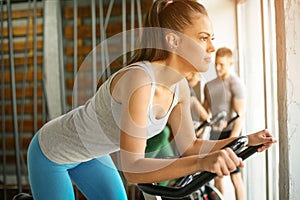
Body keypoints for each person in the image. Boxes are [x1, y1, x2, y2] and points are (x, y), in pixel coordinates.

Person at [27, 1, 276, 200]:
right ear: (173, 41)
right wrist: (203, 163)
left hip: (92, 154)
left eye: (212, 37)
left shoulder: (179, 86)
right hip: (53, 152)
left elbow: (189, 145)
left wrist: (244, 142)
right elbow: (134, 168)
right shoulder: (140, 80)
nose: (212, 47)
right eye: (203, 37)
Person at [204, 47, 246, 200]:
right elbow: (205, 113)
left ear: (231, 63)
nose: (217, 67)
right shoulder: (209, 86)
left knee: (235, 178)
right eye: (216, 63)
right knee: (217, 176)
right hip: (215, 135)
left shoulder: (236, 84)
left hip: (231, 134)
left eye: (222, 64)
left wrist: (233, 140)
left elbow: (240, 115)